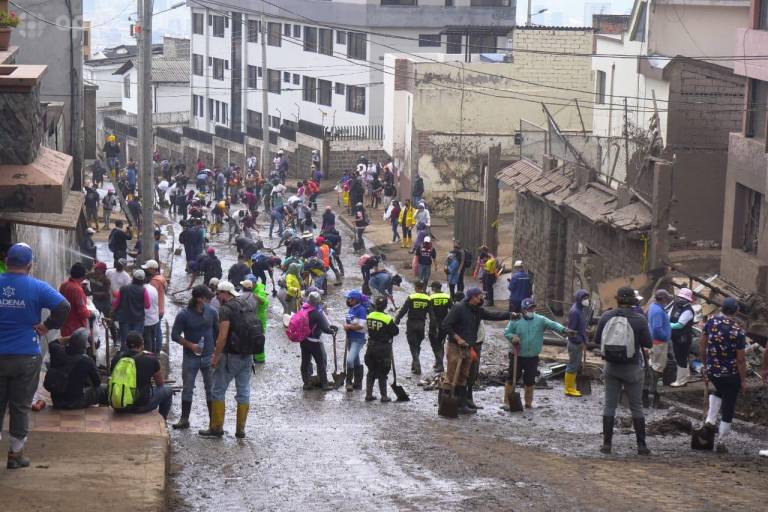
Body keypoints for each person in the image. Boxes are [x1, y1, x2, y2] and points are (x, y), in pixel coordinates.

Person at [0, 243, 71, 469]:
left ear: (6, 261)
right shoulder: (37, 287)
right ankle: (15, 455)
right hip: (26, 356)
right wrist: (46, 326)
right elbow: (63, 306)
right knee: (20, 406)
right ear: (30, 265)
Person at [200, 281, 263, 439]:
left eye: (218, 294)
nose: (217, 297)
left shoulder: (226, 309)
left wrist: (215, 357)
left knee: (218, 390)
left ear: (225, 293)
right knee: (243, 391)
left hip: (231, 356)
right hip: (248, 356)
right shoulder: (246, 304)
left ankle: (216, 428)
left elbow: (222, 337)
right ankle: (240, 430)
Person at [595, 286, 653, 455]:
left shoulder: (606, 316)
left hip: (611, 367)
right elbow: (648, 343)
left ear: (617, 299)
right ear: (633, 301)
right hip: (632, 368)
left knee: (609, 405)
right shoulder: (639, 319)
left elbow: (598, 339)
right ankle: (641, 446)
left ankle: (607, 444)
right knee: (636, 406)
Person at [441, 288, 511, 415]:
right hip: (455, 346)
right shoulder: (458, 308)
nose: (482, 298)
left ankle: (462, 405)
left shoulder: (477, 310)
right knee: (452, 375)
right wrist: (458, 338)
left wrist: (510, 314)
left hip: (468, 347)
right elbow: (446, 324)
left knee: (463, 375)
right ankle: (446, 403)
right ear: (472, 297)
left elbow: (493, 315)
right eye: (480, 296)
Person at [698, 297, 748, 453]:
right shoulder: (738, 330)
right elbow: (740, 360)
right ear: (736, 311)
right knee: (729, 405)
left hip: (714, 371)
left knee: (719, 391)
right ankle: (721, 441)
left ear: (722, 308)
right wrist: (744, 380)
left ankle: (710, 421)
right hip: (730, 374)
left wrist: (705, 365)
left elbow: (702, 344)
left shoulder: (711, 323)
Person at [504, 298, 571, 409]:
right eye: (528, 308)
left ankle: (528, 402)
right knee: (512, 378)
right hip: (517, 355)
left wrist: (564, 330)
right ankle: (507, 401)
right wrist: (512, 337)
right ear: (523, 309)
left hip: (532, 356)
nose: (531, 310)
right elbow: (507, 332)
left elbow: (553, 324)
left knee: (530, 380)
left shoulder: (540, 319)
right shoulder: (516, 319)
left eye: (532, 308)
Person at [171, 285, 218, 430]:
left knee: (211, 389)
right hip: (191, 357)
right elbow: (174, 335)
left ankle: (213, 422)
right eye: (207, 298)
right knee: (188, 388)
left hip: (208, 356)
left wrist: (217, 352)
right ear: (199, 299)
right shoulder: (183, 315)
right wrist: (190, 345)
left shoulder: (212, 312)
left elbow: (217, 333)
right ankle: (184, 419)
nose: (209, 300)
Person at [110, 332, 172, 419]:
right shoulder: (150, 359)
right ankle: (162, 419)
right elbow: (160, 383)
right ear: (142, 344)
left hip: (119, 405)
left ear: (126, 344)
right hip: (141, 406)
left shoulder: (116, 358)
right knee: (167, 390)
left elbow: (112, 377)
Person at [46, 328, 105, 409]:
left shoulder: (57, 350)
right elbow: (97, 383)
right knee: (103, 389)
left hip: (57, 401)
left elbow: (53, 343)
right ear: (84, 345)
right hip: (75, 402)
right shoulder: (87, 361)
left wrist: (72, 338)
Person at [299, 292, 338, 391]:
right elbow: (325, 328)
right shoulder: (317, 313)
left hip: (304, 340)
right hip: (315, 342)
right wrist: (332, 331)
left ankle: (306, 383)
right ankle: (324, 384)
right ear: (318, 301)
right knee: (320, 363)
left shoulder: (303, 309)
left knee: (305, 362)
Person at [365, 296, 399, 402]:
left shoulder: (369, 315)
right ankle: (384, 396)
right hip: (382, 348)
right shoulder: (387, 318)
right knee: (382, 371)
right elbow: (395, 331)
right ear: (385, 306)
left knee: (371, 370)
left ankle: (368, 395)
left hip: (370, 346)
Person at [394, 281, 432, 375]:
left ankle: (417, 364)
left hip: (411, 324)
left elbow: (404, 310)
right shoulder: (427, 298)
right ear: (423, 287)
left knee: (412, 345)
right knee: (417, 345)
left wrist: (397, 319)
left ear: (416, 287)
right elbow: (431, 313)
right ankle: (414, 364)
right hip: (421, 324)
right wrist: (433, 326)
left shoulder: (411, 297)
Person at [645, 289, 672, 409]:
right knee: (657, 366)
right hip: (659, 342)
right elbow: (656, 329)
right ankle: (652, 391)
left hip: (656, 341)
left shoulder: (654, 307)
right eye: (666, 299)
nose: (667, 301)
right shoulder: (657, 311)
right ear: (662, 299)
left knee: (653, 364)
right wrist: (665, 337)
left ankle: (649, 390)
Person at [113, 269, 150, 351]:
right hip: (138, 319)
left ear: (133, 278)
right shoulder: (144, 291)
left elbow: (116, 303)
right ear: (143, 280)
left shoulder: (123, 289)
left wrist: (113, 312)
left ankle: (124, 357)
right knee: (137, 340)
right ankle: (135, 359)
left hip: (124, 319)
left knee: (125, 339)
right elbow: (147, 306)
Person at [565, 290, 590, 398]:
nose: (587, 301)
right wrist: (579, 341)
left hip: (578, 342)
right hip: (575, 344)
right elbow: (571, 331)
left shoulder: (580, 310)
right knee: (572, 365)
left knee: (574, 365)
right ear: (579, 299)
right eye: (585, 298)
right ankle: (569, 389)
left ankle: (571, 387)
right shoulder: (575, 312)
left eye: (587, 298)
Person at [669, 288, 696, 387]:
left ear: (688, 300)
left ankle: (681, 380)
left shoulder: (688, 310)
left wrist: (667, 325)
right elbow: (669, 316)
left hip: (683, 338)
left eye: (683, 298)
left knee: (681, 358)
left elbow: (680, 324)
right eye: (680, 297)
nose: (680, 299)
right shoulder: (675, 306)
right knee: (682, 357)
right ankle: (686, 376)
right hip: (675, 337)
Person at [343, 290, 368, 392]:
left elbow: (361, 326)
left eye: (350, 299)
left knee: (349, 360)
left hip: (358, 339)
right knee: (356, 360)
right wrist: (346, 326)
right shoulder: (351, 309)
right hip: (350, 338)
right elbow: (348, 321)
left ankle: (348, 382)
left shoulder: (361, 310)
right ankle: (358, 383)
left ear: (355, 300)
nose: (348, 300)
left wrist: (348, 326)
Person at [59, 263, 92, 339]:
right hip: (76, 330)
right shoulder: (77, 290)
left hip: (65, 327)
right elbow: (82, 312)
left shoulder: (64, 285)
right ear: (83, 277)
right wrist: (90, 313)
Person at [428, 282, 452, 373]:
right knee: (440, 343)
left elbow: (428, 311)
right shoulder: (447, 296)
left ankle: (440, 364)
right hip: (444, 323)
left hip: (434, 324)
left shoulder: (430, 297)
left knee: (434, 344)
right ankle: (438, 362)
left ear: (434, 288)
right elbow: (452, 309)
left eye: (432, 287)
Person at [142, 274, 160, 354]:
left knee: (147, 340)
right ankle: (154, 354)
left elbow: (145, 306)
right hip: (154, 318)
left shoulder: (143, 290)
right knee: (152, 338)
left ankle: (149, 356)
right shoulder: (153, 288)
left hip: (147, 319)